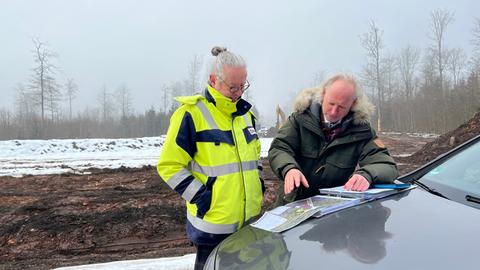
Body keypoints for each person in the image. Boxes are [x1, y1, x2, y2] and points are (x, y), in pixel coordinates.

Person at [157, 46, 264, 270]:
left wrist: (259, 184)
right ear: (213, 80)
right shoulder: (191, 114)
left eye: (243, 85)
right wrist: (202, 197)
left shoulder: (248, 114)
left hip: (250, 221)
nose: (239, 93)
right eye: (233, 87)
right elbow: (169, 166)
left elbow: (254, 158)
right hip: (214, 225)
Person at [268, 73, 398, 205]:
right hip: (291, 204)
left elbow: (386, 165)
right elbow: (279, 148)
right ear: (323, 94)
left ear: (353, 104)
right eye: (331, 103)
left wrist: (367, 175)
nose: (334, 111)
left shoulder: (362, 131)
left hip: (331, 211)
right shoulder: (300, 119)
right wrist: (289, 169)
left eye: (342, 107)